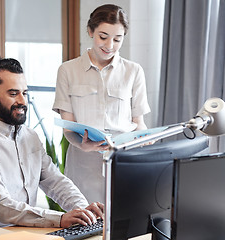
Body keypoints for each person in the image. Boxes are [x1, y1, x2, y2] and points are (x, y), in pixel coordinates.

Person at [0, 56, 104, 228]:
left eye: (25, 93)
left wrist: (82, 209)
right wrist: (59, 219)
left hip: (24, 231)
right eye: (13, 94)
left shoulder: (30, 137)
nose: (22, 101)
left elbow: (55, 181)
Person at [52, 4, 151, 204]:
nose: (110, 45)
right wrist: (83, 145)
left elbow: (138, 122)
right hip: (83, 166)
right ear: (90, 31)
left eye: (117, 39)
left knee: (123, 225)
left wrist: (145, 137)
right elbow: (67, 126)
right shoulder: (67, 71)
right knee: (85, 226)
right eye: (103, 37)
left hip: (123, 162)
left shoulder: (134, 71)